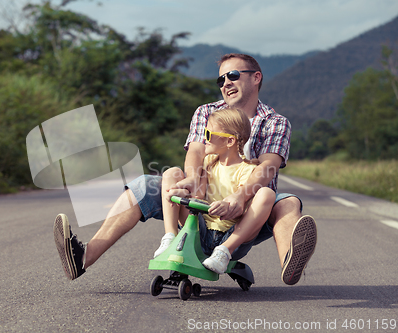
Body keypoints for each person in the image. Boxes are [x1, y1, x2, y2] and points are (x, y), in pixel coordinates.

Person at [53, 53, 317, 285]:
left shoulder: (275, 122)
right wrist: (192, 180)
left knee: (287, 202)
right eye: (220, 79)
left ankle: (290, 263)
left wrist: (239, 197)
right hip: (202, 207)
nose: (225, 83)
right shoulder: (207, 112)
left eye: (233, 75)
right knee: (146, 183)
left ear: (256, 77)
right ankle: (85, 257)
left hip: (249, 213)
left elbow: (268, 167)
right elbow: (196, 152)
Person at [154, 107, 277, 274]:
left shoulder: (247, 170)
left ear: (230, 142)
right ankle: (170, 237)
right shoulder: (209, 162)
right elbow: (198, 196)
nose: (204, 139)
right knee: (171, 173)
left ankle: (224, 252)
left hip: (229, 234)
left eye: (208, 135)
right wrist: (179, 193)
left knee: (266, 193)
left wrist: (227, 207)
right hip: (200, 230)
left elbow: (242, 209)